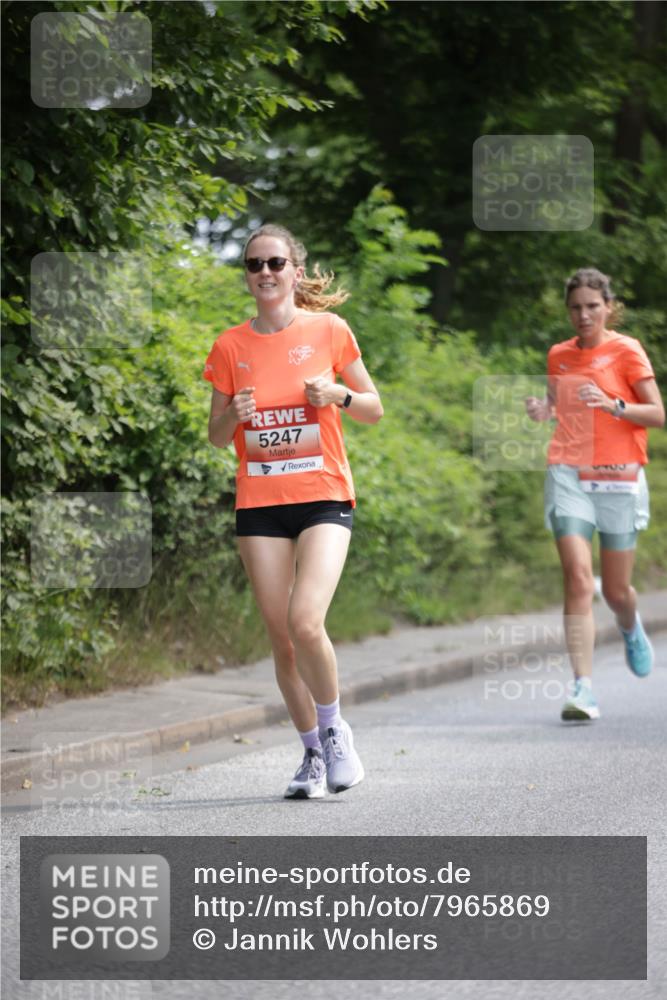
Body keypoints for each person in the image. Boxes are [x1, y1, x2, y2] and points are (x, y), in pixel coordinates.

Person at [203, 223, 383, 796]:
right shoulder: (231, 346)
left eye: (275, 263)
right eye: (254, 264)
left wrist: (339, 396)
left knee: (307, 621)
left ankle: (334, 734)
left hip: (324, 496)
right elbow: (215, 434)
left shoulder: (329, 330)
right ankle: (310, 756)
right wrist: (235, 414)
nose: (264, 273)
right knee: (281, 637)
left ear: (295, 271)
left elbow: (373, 408)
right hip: (260, 505)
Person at [525, 267, 664, 721]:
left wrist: (614, 405)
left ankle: (628, 623)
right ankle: (583, 688)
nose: (583, 315)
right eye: (575, 307)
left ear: (608, 307)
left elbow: (657, 414)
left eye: (592, 306)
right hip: (568, 469)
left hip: (620, 476)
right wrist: (541, 409)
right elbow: (555, 405)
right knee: (578, 577)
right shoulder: (559, 355)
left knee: (618, 589)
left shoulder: (626, 351)